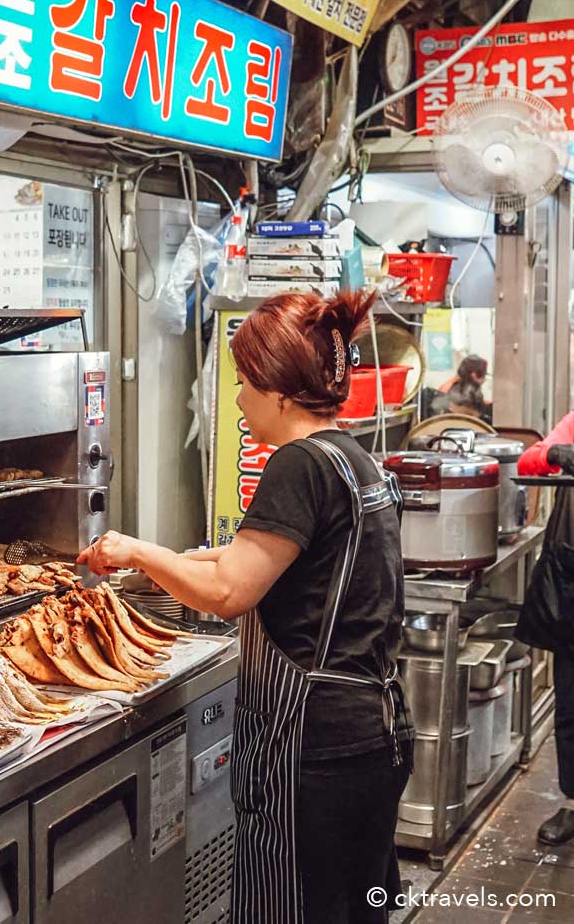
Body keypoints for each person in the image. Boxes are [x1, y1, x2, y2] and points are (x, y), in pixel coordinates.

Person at [78, 290, 413, 924]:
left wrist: (139, 550)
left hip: (312, 745)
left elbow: (230, 593)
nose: (236, 400)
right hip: (373, 732)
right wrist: (167, 557)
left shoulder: (297, 464)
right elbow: (251, 560)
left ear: (281, 393)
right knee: (354, 907)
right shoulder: (352, 459)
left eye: (246, 384)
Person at [517, 419, 574, 846]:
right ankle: (573, 803)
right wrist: (554, 454)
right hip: (570, 577)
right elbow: (528, 460)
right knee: (570, 702)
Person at [431, 355, 489, 420]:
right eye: (484, 374)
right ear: (474, 375)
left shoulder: (452, 387)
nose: (484, 380)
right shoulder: (471, 390)